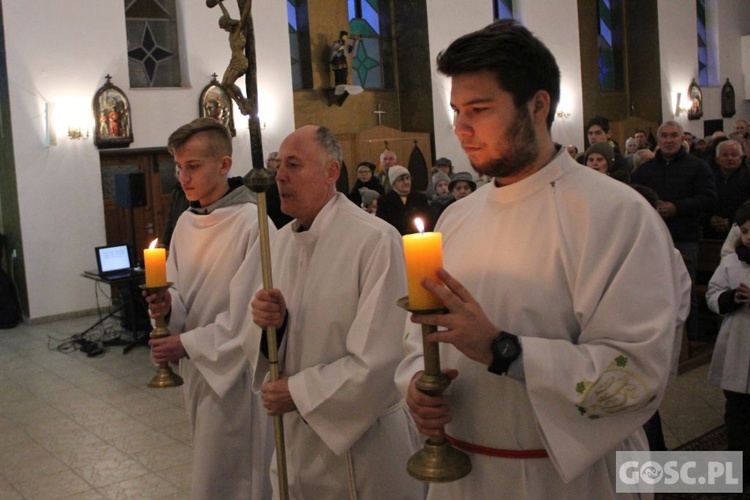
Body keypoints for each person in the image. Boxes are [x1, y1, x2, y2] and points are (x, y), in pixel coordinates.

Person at [395, 20, 689, 499]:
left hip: (571, 479)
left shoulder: (616, 215)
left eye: (479, 109)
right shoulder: (457, 219)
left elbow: (637, 373)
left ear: (538, 105)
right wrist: (415, 386)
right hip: (463, 477)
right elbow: (418, 337)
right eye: (456, 110)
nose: (460, 128)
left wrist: (503, 350)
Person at [243, 125, 424, 499]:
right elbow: (268, 344)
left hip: (362, 445)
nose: (280, 177)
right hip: (297, 439)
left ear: (331, 172)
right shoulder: (279, 244)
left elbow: (381, 358)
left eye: (294, 165)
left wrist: (297, 391)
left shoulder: (374, 240)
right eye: (278, 167)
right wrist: (268, 326)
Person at [144, 118, 273, 500]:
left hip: (235, 374)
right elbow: (181, 295)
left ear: (225, 165)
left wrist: (184, 344)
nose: (183, 177)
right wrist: (167, 305)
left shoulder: (252, 223)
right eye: (179, 167)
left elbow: (248, 319)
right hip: (200, 368)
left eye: (193, 166)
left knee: (235, 476)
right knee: (210, 465)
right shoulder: (185, 222)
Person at [632, 120, 716, 340]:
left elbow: (708, 198)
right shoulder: (645, 170)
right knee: (654, 293)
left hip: (684, 237)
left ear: (682, 138)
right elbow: (633, 199)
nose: (669, 140)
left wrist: (677, 207)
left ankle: (691, 340)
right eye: (665, 136)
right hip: (651, 240)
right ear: (658, 140)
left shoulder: (697, 166)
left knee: (684, 291)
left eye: (673, 136)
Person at [705, 200, 750, 491]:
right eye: (746, 231)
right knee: (737, 412)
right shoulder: (732, 260)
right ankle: (740, 466)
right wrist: (729, 298)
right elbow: (713, 291)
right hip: (739, 343)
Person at [703, 140, 750, 241]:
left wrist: (733, 221)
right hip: (710, 232)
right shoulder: (708, 178)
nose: (730, 158)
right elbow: (702, 201)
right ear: (717, 159)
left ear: (741, 158)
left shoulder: (748, 177)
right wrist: (709, 219)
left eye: (734, 155)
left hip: (742, 233)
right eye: (725, 155)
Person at [214, 0, 253, 115]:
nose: (223, 29)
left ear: (228, 24)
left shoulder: (239, 30)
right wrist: (219, 3)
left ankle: (244, 101)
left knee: (230, 83)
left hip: (240, 61)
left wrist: (249, 2)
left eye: (224, 26)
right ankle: (239, 103)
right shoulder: (231, 34)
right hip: (233, 61)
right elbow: (226, 14)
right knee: (223, 85)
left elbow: (245, 14)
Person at [376, 165, 431, 234]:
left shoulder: (420, 198)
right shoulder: (384, 201)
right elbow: (383, 225)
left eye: (408, 178)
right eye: (401, 179)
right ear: (393, 183)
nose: (406, 182)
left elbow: (428, 221)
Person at [581, 115, 630, 183]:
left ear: (608, 134)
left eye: (598, 133)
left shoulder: (619, 162)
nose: (593, 137)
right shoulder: (581, 159)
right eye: (590, 133)